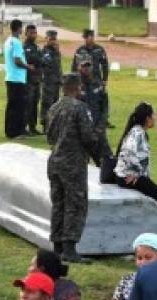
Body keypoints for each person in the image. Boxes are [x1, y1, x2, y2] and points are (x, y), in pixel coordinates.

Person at [45, 74, 98, 264]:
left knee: (58, 203)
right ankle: (69, 248)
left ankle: (57, 246)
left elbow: (49, 136)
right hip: (73, 162)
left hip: (55, 161)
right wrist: (98, 156)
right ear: (77, 87)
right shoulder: (79, 108)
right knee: (75, 204)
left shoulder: (53, 107)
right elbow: (88, 137)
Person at [115, 102, 157, 216]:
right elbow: (129, 151)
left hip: (130, 176)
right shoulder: (138, 133)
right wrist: (136, 173)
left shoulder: (138, 131)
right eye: (153, 115)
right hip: (129, 177)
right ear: (147, 118)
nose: (155, 117)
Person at [72, 29, 110, 128]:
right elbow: (74, 66)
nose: (91, 39)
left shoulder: (99, 49)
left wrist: (105, 79)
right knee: (83, 100)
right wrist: (75, 80)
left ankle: (102, 120)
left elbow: (105, 65)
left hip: (96, 80)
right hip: (83, 81)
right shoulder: (80, 50)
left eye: (92, 37)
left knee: (99, 100)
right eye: (88, 37)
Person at [3, 19, 29, 139]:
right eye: (21, 27)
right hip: (17, 78)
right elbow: (17, 60)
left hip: (10, 77)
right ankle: (14, 132)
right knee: (17, 106)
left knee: (12, 106)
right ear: (19, 28)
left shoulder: (8, 41)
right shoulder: (17, 42)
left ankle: (12, 130)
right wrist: (28, 67)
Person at [39, 30, 63, 131]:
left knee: (55, 103)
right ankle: (45, 125)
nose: (53, 41)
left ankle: (53, 125)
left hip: (56, 81)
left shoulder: (56, 52)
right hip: (48, 81)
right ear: (46, 39)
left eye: (54, 39)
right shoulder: (44, 51)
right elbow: (46, 64)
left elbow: (58, 67)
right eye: (51, 39)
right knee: (47, 103)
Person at [22, 24, 43, 135]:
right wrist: (38, 58)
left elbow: (41, 60)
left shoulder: (36, 47)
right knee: (27, 104)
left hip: (36, 80)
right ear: (26, 34)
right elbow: (30, 58)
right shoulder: (25, 46)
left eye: (35, 33)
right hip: (28, 80)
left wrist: (38, 59)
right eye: (31, 33)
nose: (34, 35)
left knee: (35, 104)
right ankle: (23, 127)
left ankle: (32, 127)